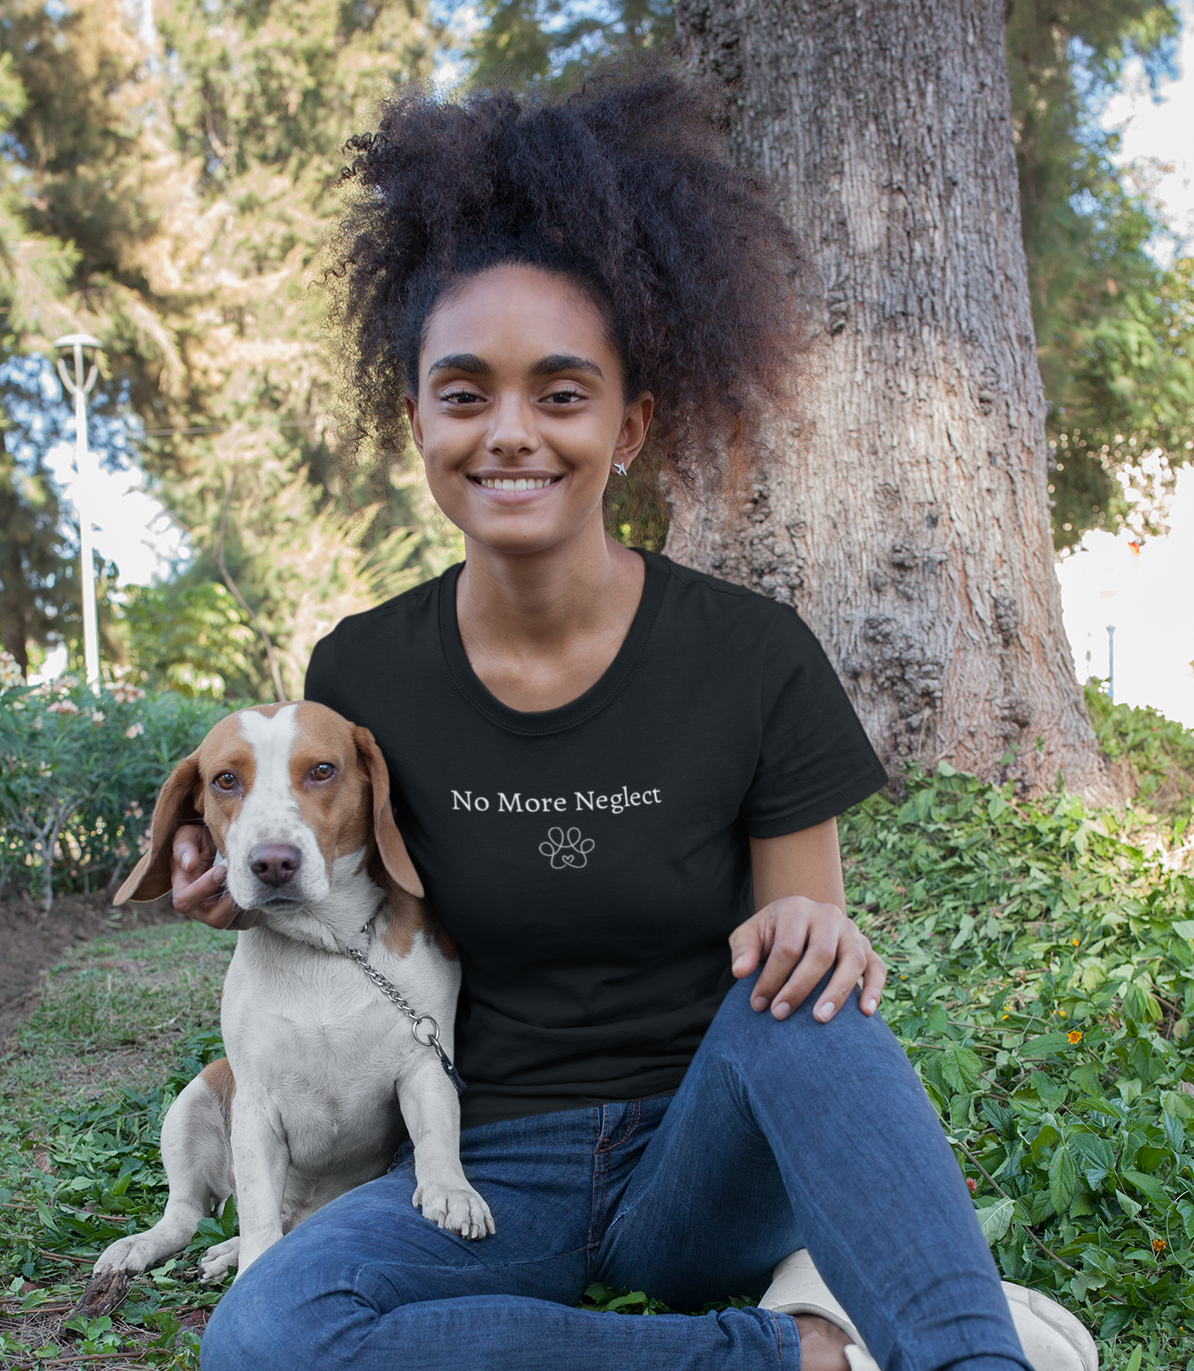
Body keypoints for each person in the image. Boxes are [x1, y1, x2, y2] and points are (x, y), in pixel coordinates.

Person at [174, 71, 1046, 1371]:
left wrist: (818, 929)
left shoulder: (752, 654)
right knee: (267, 1334)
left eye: (562, 392)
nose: (511, 430)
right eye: (463, 391)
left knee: (809, 996)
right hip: (483, 1167)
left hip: (705, 1164)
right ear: (415, 416)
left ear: (631, 423)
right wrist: (244, 893)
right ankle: (803, 1356)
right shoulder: (360, 667)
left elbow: (800, 951)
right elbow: (356, 910)